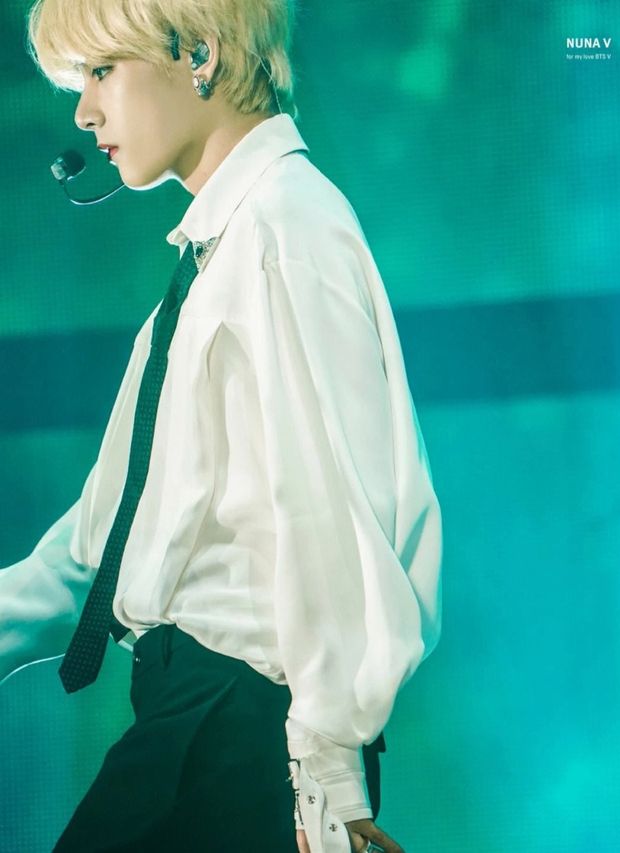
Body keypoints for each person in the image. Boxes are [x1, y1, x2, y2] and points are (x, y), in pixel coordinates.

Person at [0, 0, 443, 851]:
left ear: (198, 54)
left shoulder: (286, 228)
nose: (83, 113)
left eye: (102, 72)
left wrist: (328, 777)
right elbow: (106, 540)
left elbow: (335, 512)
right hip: (199, 722)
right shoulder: (221, 252)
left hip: (237, 731)